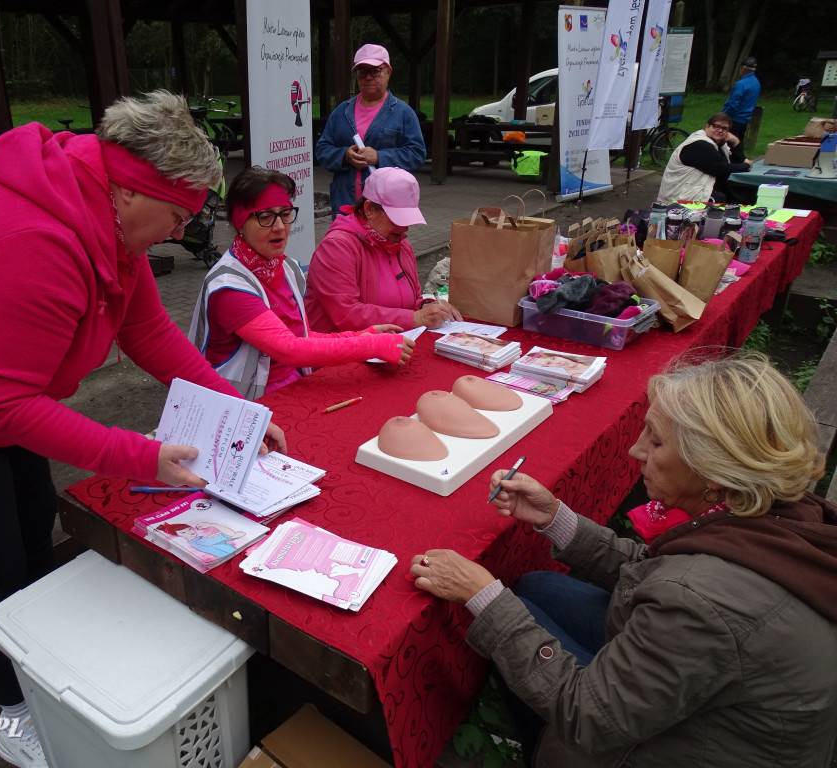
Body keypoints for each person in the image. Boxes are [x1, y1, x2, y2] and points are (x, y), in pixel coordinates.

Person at [0, 90, 286, 768]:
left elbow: (147, 328)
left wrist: (236, 412)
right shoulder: (41, 238)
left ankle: (40, 667)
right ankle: (15, 712)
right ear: (128, 191)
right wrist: (142, 456)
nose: (182, 231)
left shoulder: (100, 209)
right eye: (178, 215)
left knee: (34, 532)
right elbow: (2, 402)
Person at [410, 354, 837, 767]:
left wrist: (481, 596)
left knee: (509, 617)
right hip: (710, 697)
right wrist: (554, 519)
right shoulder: (772, 512)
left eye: (654, 439)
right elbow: (659, 571)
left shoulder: (706, 599)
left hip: (670, 748)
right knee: (537, 587)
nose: (635, 450)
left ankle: (540, 751)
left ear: (711, 468)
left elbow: (588, 716)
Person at [188, 166, 414, 401]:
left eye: (285, 214)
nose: (279, 227)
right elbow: (289, 348)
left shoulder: (286, 268)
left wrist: (365, 336)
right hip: (245, 405)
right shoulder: (230, 287)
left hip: (294, 385)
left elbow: (301, 337)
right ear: (240, 223)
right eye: (265, 217)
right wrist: (371, 346)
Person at [305, 166, 461, 333]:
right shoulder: (337, 247)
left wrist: (429, 306)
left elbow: (413, 301)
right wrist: (416, 318)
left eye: (407, 219)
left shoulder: (401, 246)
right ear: (369, 209)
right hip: (337, 350)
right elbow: (346, 314)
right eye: (396, 219)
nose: (404, 228)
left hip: (389, 344)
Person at [315, 43, 427, 219]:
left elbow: (416, 153)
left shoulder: (403, 113)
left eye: (374, 71)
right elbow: (322, 149)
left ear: (388, 72)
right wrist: (344, 155)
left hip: (385, 206)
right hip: (346, 202)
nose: (367, 77)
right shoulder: (341, 112)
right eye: (362, 72)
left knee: (380, 246)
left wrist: (380, 157)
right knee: (346, 246)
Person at [657, 112, 751, 203]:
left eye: (724, 128)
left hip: (696, 190)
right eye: (716, 126)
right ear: (707, 126)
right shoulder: (699, 144)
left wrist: (736, 142)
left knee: (739, 192)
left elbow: (736, 162)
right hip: (680, 197)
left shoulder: (719, 144)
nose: (720, 130)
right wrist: (746, 165)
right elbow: (721, 169)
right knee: (726, 196)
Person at [723, 56, 761, 142]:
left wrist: (724, 116)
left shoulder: (741, 84)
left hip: (735, 119)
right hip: (745, 119)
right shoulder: (756, 82)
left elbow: (733, 104)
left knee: (729, 146)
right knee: (738, 144)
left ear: (743, 68)